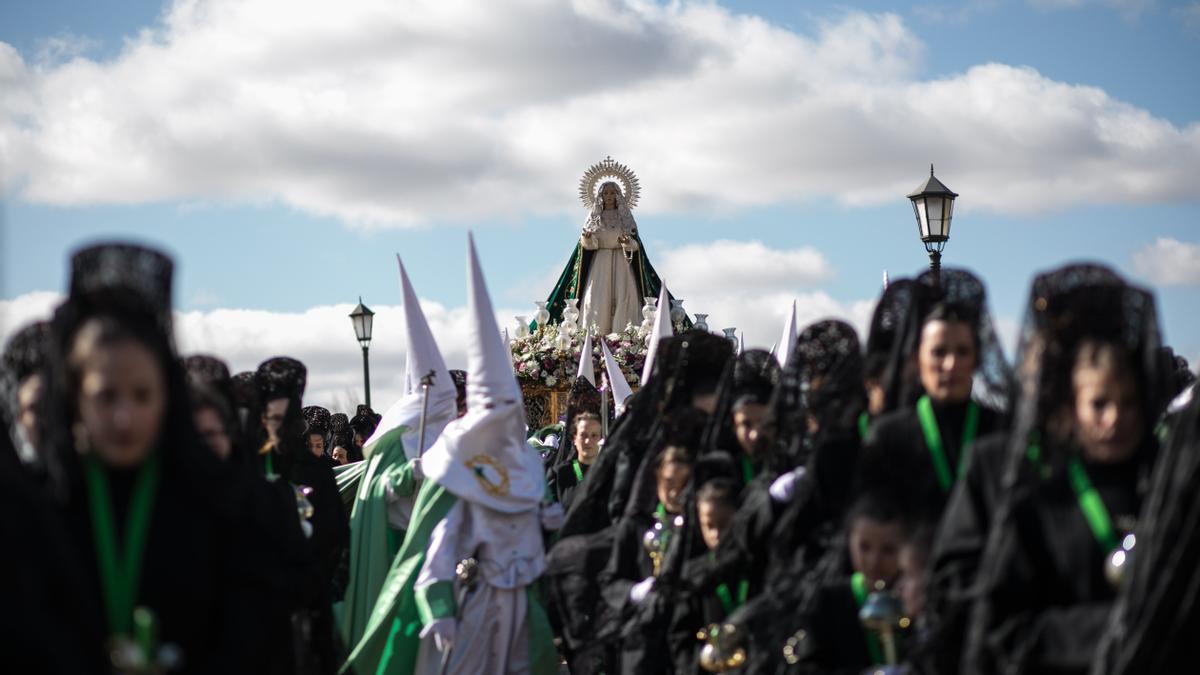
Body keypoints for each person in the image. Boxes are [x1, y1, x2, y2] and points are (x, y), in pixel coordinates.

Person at [33, 243, 256, 672]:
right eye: (105, 396)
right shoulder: (37, 508)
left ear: (167, 397)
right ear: (75, 396)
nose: (123, 418)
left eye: (142, 396)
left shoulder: (221, 507)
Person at [342, 236, 557, 675]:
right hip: (472, 598)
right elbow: (440, 542)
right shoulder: (455, 457)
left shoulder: (524, 461)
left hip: (520, 600)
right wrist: (439, 604)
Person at [964, 273, 1164, 675]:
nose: (1115, 419)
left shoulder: (1164, 482)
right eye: (1100, 404)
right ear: (1073, 405)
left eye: (1129, 404)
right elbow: (1005, 628)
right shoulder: (1039, 494)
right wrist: (1116, 629)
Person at [339, 256, 459, 654]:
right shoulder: (395, 440)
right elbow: (375, 494)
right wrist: (406, 477)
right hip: (397, 552)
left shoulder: (449, 436)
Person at [858, 269, 1013, 523]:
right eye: (939, 352)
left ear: (977, 358)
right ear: (918, 357)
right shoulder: (888, 437)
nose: (950, 365)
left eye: (962, 352)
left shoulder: (1001, 429)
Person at [541, 159, 679, 333]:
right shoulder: (594, 217)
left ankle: (625, 335)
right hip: (600, 262)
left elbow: (636, 245)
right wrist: (587, 238)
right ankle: (595, 334)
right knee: (597, 297)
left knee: (624, 297)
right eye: (606, 193)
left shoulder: (625, 217)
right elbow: (588, 246)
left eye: (612, 193)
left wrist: (627, 243)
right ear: (600, 196)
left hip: (622, 262)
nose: (609, 196)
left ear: (618, 195)